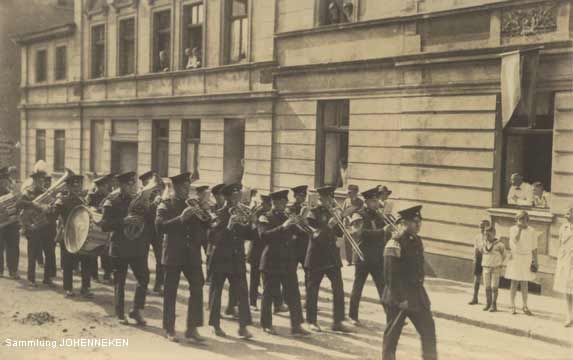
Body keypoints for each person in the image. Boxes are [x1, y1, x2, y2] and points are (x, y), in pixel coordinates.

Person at [381, 205, 437, 360]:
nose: (418, 225)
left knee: (428, 330)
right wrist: (401, 299)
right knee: (392, 337)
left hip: (417, 296)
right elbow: (390, 275)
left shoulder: (417, 240)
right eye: (414, 222)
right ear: (404, 223)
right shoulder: (395, 242)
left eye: (419, 221)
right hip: (399, 297)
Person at [156, 173, 206, 343]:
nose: (187, 191)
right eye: (184, 188)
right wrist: (181, 218)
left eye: (188, 187)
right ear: (176, 188)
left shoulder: (193, 204)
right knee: (170, 292)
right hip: (173, 254)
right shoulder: (166, 204)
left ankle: (192, 328)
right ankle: (169, 329)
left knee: (198, 286)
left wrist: (204, 215)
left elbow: (206, 225)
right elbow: (160, 226)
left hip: (191, 254)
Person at [257, 190, 310, 336]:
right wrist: (284, 227)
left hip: (287, 261)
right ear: (273, 203)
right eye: (278, 202)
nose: (282, 205)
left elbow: (302, 234)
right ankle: (266, 324)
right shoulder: (265, 217)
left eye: (284, 202)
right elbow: (264, 236)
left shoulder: (288, 216)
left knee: (293, 294)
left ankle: (297, 325)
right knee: (268, 295)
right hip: (271, 261)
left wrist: (303, 223)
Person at [100, 172, 149, 326]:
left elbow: (146, 220)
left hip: (136, 246)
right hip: (119, 246)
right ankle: (120, 313)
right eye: (129, 184)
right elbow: (105, 225)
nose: (133, 186)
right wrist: (124, 221)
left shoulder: (138, 200)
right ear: (121, 185)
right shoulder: (111, 201)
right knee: (120, 281)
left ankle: (136, 310)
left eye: (133, 183)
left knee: (144, 278)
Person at [208, 183, 254, 339]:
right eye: (235, 196)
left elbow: (249, 236)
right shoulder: (218, 214)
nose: (238, 198)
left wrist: (252, 224)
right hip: (220, 258)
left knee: (242, 292)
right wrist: (229, 226)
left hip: (236, 259)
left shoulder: (242, 212)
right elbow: (213, 239)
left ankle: (243, 327)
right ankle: (215, 325)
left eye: (238, 195)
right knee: (216, 292)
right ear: (227, 197)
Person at [305, 186, 351, 333]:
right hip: (317, 257)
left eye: (332, 198)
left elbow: (338, 233)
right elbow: (316, 235)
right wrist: (329, 225)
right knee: (313, 290)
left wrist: (341, 220)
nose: (331, 201)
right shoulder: (312, 214)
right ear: (320, 199)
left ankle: (338, 321)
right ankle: (311, 321)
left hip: (332, 257)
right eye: (328, 198)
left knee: (338, 289)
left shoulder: (333, 213)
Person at [349, 187, 388, 326]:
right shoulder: (358, 215)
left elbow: (384, 233)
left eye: (377, 200)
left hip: (377, 257)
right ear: (367, 201)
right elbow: (357, 233)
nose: (377, 203)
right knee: (358, 286)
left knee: (383, 287)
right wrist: (381, 232)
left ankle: (391, 316)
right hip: (363, 257)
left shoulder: (378, 215)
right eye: (373, 201)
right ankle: (353, 316)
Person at [51, 175, 93, 297]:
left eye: (79, 185)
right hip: (67, 235)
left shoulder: (83, 201)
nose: (77, 188)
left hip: (81, 235)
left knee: (86, 261)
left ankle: (85, 288)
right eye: (74, 185)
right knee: (68, 263)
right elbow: (53, 216)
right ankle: (68, 288)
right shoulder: (62, 201)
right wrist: (52, 206)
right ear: (68, 187)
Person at [16, 165, 55, 287]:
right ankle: (31, 279)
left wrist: (49, 209)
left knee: (49, 253)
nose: (41, 182)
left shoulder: (46, 192)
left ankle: (47, 278)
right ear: (34, 180)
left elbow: (53, 209)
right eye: (39, 180)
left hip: (46, 227)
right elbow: (19, 203)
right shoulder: (28, 192)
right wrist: (33, 204)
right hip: (33, 228)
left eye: (42, 180)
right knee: (32, 254)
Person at [505, 210, 538, 315]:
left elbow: (534, 248)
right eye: (520, 219)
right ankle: (512, 305)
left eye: (525, 219)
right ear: (516, 220)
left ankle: (524, 305)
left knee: (525, 282)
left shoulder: (532, 231)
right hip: (516, 257)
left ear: (528, 220)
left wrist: (536, 261)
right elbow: (515, 241)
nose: (523, 221)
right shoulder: (513, 229)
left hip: (526, 258)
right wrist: (519, 229)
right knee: (514, 282)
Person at [139, 171, 165, 295]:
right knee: (142, 258)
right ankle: (144, 285)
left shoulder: (157, 194)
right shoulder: (140, 194)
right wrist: (152, 204)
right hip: (144, 229)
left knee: (160, 258)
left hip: (156, 230)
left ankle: (159, 285)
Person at [86, 174, 114, 283]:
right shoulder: (91, 196)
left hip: (105, 226)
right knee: (94, 251)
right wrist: (94, 209)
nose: (103, 189)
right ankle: (94, 275)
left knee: (106, 252)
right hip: (94, 226)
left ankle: (107, 275)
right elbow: (86, 208)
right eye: (101, 187)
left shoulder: (109, 196)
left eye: (104, 186)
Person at [247, 193, 271, 310]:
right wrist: (254, 222)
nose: (261, 206)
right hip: (256, 250)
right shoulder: (255, 214)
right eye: (261, 204)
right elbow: (251, 234)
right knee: (254, 278)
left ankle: (276, 303)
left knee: (267, 278)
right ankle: (252, 302)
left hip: (266, 251)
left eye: (264, 204)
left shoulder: (269, 215)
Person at [553, 207, 573, 327]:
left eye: (569, 213)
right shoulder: (563, 227)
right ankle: (569, 316)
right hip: (566, 261)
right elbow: (560, 243)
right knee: (567, 291)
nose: (566, 215)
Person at [0, 167, 20, 279]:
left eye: (7, 179)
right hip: (1, 224)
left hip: (12, 223)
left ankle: (13, 270)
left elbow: (19, 205)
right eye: (3, 179)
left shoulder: (11, 191)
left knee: (13, 246)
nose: (6, 182)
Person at [480, 225, 505, 312]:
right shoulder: (483, 243)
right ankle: (488, 303)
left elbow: (504, 255)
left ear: (494, 234)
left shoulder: (500, 245)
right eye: (485, 235)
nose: (487, 237)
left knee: (494, 287)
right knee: (487, 287)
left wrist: (499, 263)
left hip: (495, 268)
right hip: (486, 267)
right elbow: (482, 252)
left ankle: (494, 305)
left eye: (489, 235)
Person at [468, 220, 490, 305]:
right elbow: (475, 248)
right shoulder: (477, 237)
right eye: (480, 227)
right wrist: (474, 258)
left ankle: (489, 300)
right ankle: (475, 297)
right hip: (479, 257)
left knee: (487, 279)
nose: (481, 229)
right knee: (477, 277)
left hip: (487, 258)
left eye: (483, 227)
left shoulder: (490, 237)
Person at [341, 184, 363, 266]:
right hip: (347, 224)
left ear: (356, 192)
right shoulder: (346, 201)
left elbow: (362, 212)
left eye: (351, 192)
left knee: (357, 242)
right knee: (347, 243)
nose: (349, 194)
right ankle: (349, 261)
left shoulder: (360, 202)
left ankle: (356, 260)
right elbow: (343, 212)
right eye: (349, 192)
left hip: (356, 224)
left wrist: (355, 218)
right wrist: (346, 217)